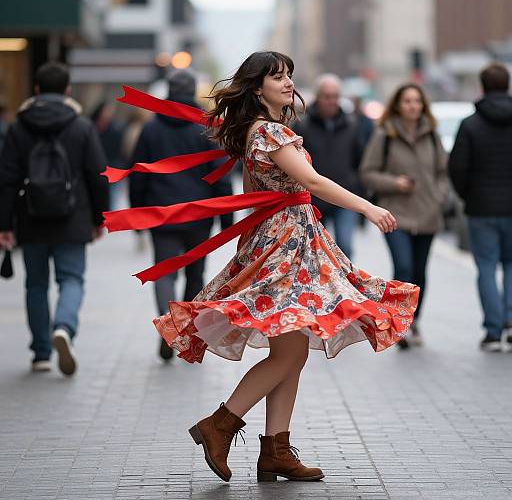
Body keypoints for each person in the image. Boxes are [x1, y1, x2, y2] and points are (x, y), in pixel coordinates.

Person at [103, 51, 418, 482]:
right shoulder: (268, 131)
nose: (288, 82)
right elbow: (311, 182)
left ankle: (275, 450)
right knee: (288, 355)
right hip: (289, 249)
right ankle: (221, 425)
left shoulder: (263, 131)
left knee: (291, 354)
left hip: (289, 243)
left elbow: (257, 191)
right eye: (277, 77)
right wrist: (368, 207)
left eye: (289, 74)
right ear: (257, 88)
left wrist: (255, 245)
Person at [0, 62, 108, 375]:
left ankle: (41, 353)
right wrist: (100, 219)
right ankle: (64, 327)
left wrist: (4, 224)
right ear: (67, 91)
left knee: (35, 285)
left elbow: (6, 179)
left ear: (35, 90)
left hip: (30, 217)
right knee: (71, 279)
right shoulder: (81, 126)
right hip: (73, 217)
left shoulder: (19, 128)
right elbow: (98, 175)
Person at [129, 69, 233, 362]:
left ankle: (167, 323)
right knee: (194, 272)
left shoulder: (151, 128)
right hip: (199, 214)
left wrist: (137, 213)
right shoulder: (206, 127)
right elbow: (219, 173)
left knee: (164, 271)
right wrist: (227, 218)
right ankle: (181, 328)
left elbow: (138, 173)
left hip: (161, 213)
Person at [360, 83, 449, 349]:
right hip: (395, 214)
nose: (412, 106)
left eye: (417, 101)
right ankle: (399, 323)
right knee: (404, 268)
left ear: (423, 106)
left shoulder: (432, 135)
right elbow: (368, 172)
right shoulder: (385, 135)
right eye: (407, 101)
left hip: (427, 213)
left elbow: (443, 172)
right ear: (398, 105)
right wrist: (393, 183)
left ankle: (415, 322)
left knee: (420, 272)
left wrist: (439, 196)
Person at [449, 62, 512, 352]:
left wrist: (469, 195)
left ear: (483, 88)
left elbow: (458, 168)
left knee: (486, 267)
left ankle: (492, 330)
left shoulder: (470, 124)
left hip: (482, 207)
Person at [293, 74, 363, 259]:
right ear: (318, 96)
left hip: (344, 195)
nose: (331, 101)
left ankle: (344, 287)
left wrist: (357, 186)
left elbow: (359, 159)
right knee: (314, 249)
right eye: (327, 96)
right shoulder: (303, 125)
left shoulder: (351, 124)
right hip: (313, 198)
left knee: (345, 248)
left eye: (335, 96)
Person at [91, 100, 126, 210]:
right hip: (96, 169)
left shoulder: (116, 129)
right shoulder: (91, 127)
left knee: (112, 199)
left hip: (112, 170)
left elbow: (119, 151)